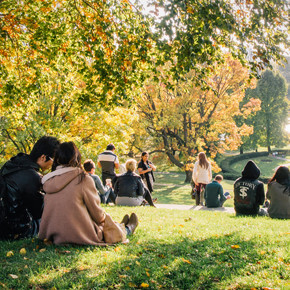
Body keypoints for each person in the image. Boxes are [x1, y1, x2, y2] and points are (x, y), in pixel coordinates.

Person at [39, 142, 138, 245]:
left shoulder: (48, 181)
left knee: (105, 224)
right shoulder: (83, 179)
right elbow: (98, 215)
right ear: (76, 158)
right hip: (79, 234)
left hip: (52, 234)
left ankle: (119, 225)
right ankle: (127, 228)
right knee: (106, 229)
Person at [0, 136, 60, 240]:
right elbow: (38, 212)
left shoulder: (10, 165)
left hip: (3, 224)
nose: (53, 164)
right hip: (17, 229)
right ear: (43, 157)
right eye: (54, 160)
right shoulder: (33, 177)